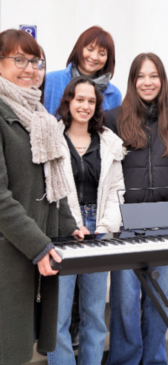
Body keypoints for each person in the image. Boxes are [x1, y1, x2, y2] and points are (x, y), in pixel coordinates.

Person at [105, 53, 168, 365]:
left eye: (154, 76)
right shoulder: (113, 120)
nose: (148, 82)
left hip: (165, 225)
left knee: (159, 301)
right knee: (126, 301)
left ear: (162, 81)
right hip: (126, 225)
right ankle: (125, 360)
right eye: (141, 76)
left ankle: (155, 361)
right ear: (133, 81)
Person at [0, 29, 82, 365]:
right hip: (9, 254)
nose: (30, 68)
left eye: (36, 61)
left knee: (22, 346)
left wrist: (69, 225)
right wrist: (39, 245)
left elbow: (54, 187)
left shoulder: (42, 120)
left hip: (36, 246)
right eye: (18, 59)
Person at [44, 25, 122, 347]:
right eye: (90, 48)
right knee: (59, 312)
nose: (94, 55)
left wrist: (106, 224)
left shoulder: (114, 97)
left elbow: (113, 179)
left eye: (102, 52)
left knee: (92, 310)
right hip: (63, 213)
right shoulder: (52, 82)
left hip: (98, 218)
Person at [44, 25, 121, 115]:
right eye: (90, 49)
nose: (94, 57)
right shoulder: (50, 81)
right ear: (79, 49)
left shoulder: (115, 95)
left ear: (108, 58)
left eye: (102, 53)